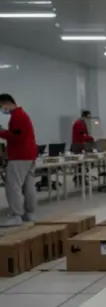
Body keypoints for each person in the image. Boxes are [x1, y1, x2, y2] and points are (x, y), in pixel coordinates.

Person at [0, 94, 37, 226]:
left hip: (20, 157)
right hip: (29, 155)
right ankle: (30, 213)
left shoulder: (17, 116)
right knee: (28, 186)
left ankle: (17, 215)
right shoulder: (22, 115)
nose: (2, 109)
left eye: (1, 106)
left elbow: (16, 137)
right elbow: (17, 134)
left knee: (13, 186)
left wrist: (1, 132)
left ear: (7, 102)